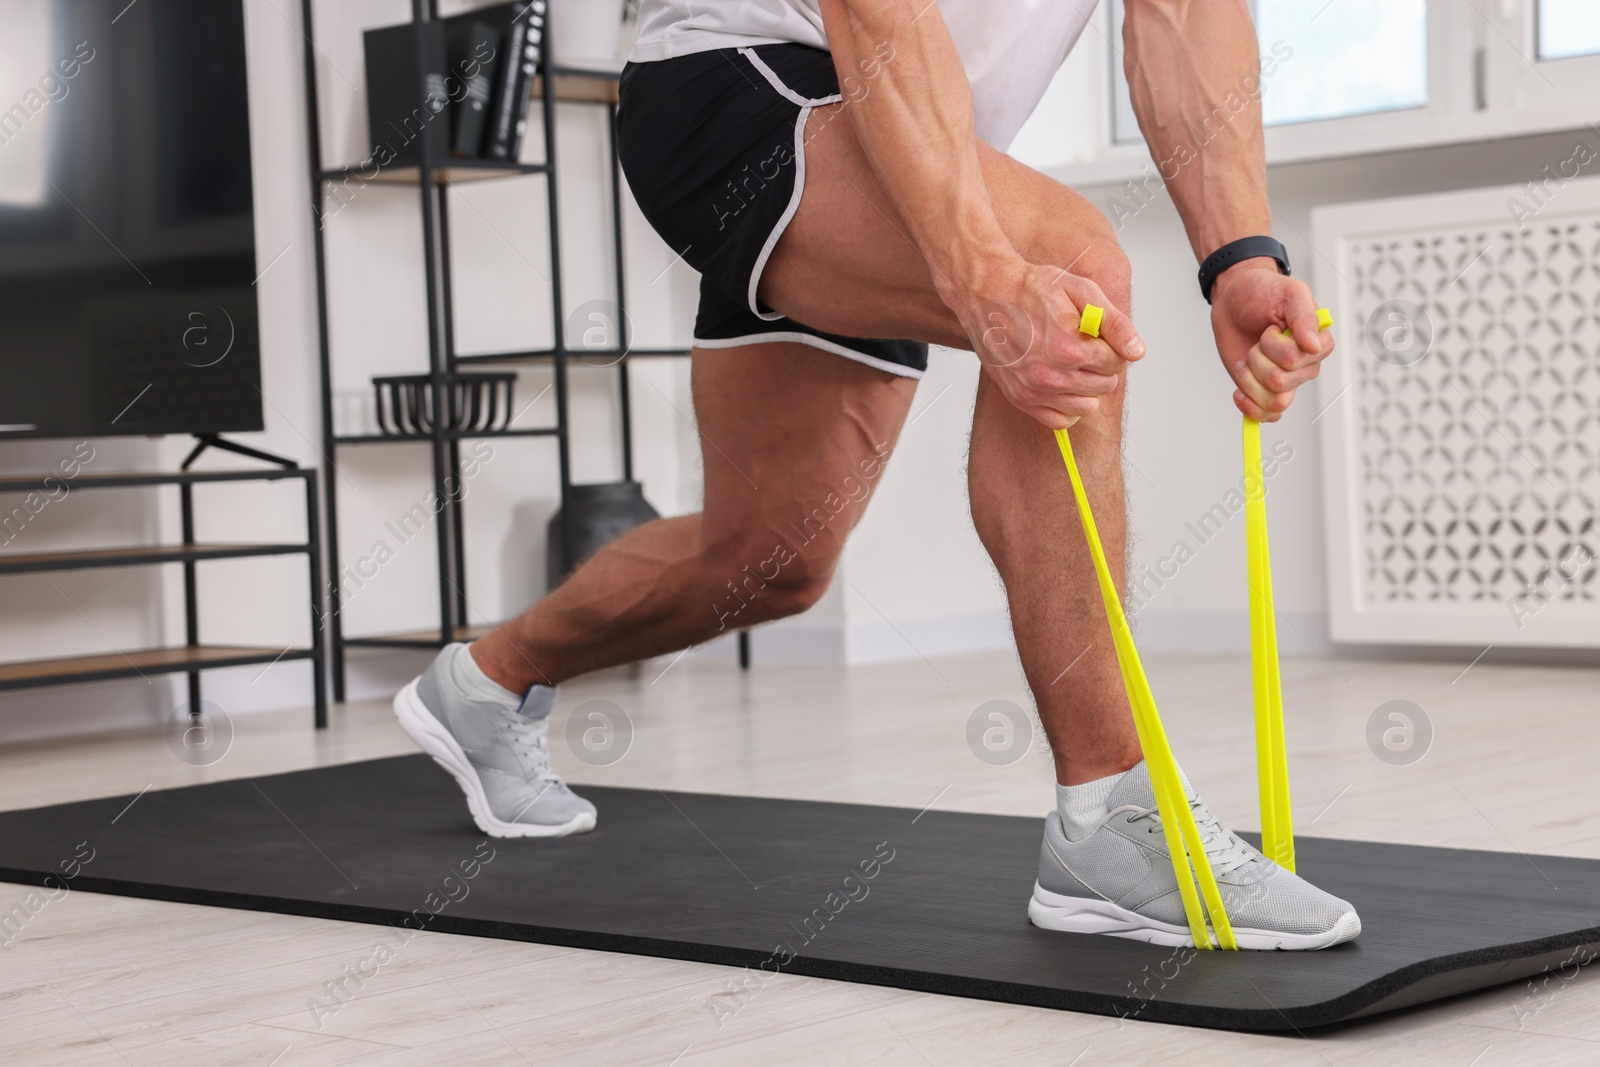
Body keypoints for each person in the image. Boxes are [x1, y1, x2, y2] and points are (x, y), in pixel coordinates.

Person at [393, 0, 1359, 950]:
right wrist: (981, 271)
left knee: (769, 559)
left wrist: (1239, 258)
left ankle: (486, 682)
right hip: (743, 83)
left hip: (912, 135)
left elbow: (1185, 17)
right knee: (1074, 277)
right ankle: (1108, 813)